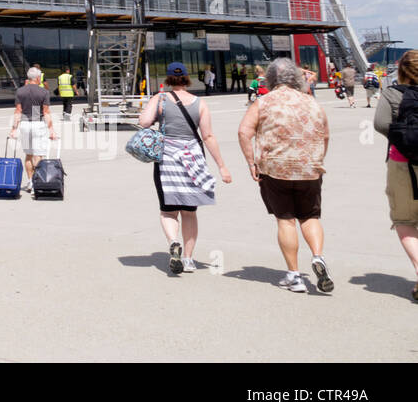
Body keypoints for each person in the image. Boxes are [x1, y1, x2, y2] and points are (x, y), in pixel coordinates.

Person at [238, 58, 333, 294]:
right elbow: (325, 135)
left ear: (270, 79)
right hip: (309, 168)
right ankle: (318, 256)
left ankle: (294, 275)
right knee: (310, 217)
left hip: (275, 169)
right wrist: (317, 160)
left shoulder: (263, 102)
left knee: (286, 219)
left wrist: (251, 162)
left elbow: (243, 131)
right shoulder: (311, 103)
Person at [137, 61, 232, 274]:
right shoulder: (200, 103)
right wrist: (222, 167)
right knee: (189, 212)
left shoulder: (160, 98)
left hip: (166, 161)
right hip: (192, 160)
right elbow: (207, 136)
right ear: (187, 78)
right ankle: (188, 259)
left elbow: (144, 122)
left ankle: (173, 242)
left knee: (168, 211)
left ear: (168, 79)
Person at [373, 50, 418, 303]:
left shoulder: (392, 93)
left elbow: (380, 123)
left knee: (404, 219)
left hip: (402, 164)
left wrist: (402, 136)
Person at [9, 67, 57, 195]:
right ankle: (38, 182)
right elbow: (46, 112)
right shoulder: (43, 92)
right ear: (38, 78)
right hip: (38, 125)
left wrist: (14, 129)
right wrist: (51, 129)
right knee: (38, 156)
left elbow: (18, 111)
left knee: (28, 155)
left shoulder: (20, 91)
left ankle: (30, 181)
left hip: (25, 125)